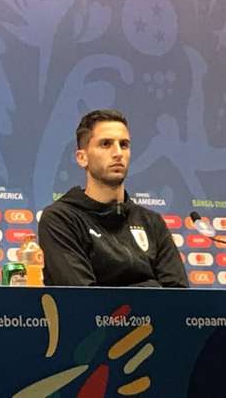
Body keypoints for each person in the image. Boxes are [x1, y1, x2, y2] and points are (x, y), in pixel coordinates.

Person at [38, 109, 188, 287]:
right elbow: (83, 299)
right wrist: (153, 286)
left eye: (124, 145)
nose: (118, 153)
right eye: (106, 144)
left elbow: (178, 297)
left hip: (158, 317)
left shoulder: (152, 222)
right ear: (82, 158)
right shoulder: (60, 219)